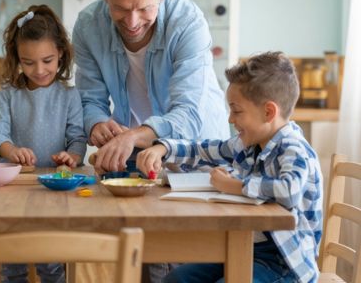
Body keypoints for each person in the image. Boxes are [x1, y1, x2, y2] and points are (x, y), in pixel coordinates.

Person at [137, 51, 323, 283]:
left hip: (285, 264)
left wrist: (235, 186)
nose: (230, 119)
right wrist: (163, 148)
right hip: (246, 247)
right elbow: (206, 149)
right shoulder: (250, 143)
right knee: (176, 279)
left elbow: (289, 190)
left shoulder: (294, 149)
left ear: (268, 112)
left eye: (236, 111)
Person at [72, 0, 230, 174]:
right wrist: (96, 122)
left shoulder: (188, 23)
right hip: (136, 153)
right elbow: (90, 99)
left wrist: (133, 136)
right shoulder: (88, 26)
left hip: (198, 154)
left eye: (144, 8)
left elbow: (188, 111)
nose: (132, 22)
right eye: (121, 9)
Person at [0, 4, 87, 283]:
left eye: (47, 60)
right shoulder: (9, 92)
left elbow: (78, 138)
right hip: (13, 188)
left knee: (52, 258)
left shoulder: (69, 94)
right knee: (12, 257)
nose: (39, 70)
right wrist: (12, 151)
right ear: (17, 58)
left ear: (61, 54)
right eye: (28, 62)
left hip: (53, 188)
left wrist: (72, 157)